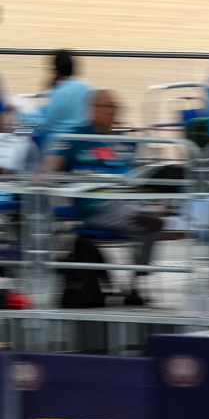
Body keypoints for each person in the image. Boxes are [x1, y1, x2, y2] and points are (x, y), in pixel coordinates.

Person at [50, 89, 170, 304]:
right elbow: (51, 165)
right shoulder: (78, 135)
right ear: (92, 109)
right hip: (97, 204)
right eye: (107, 107)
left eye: (115, 107)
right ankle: (136, 284)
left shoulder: (120, 142)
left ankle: (136, 281)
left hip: (127, 196)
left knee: (158, 212)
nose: (112, 112)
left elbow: (132, 174)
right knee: (151, 222)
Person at [37, 50, 93, 136]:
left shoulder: (58, 91)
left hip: (59, 140)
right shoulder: (87, 87)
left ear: (56, 70)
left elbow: (48, 122)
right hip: (83, 136)